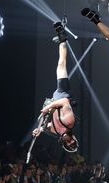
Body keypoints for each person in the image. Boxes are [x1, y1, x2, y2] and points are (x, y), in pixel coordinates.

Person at [32, 22, 78, 153]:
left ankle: (61, 42)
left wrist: (39, 129)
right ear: (74, 137)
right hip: (63, 94)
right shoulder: (70, 122)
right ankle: (62, 39)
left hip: (54, 100)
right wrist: (47, 107)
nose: (69, 141)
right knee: (61, 64)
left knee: (60, 65)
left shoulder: (55, 132)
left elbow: (46, 123)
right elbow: (64, 102)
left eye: (68, 143)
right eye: (72, 141)